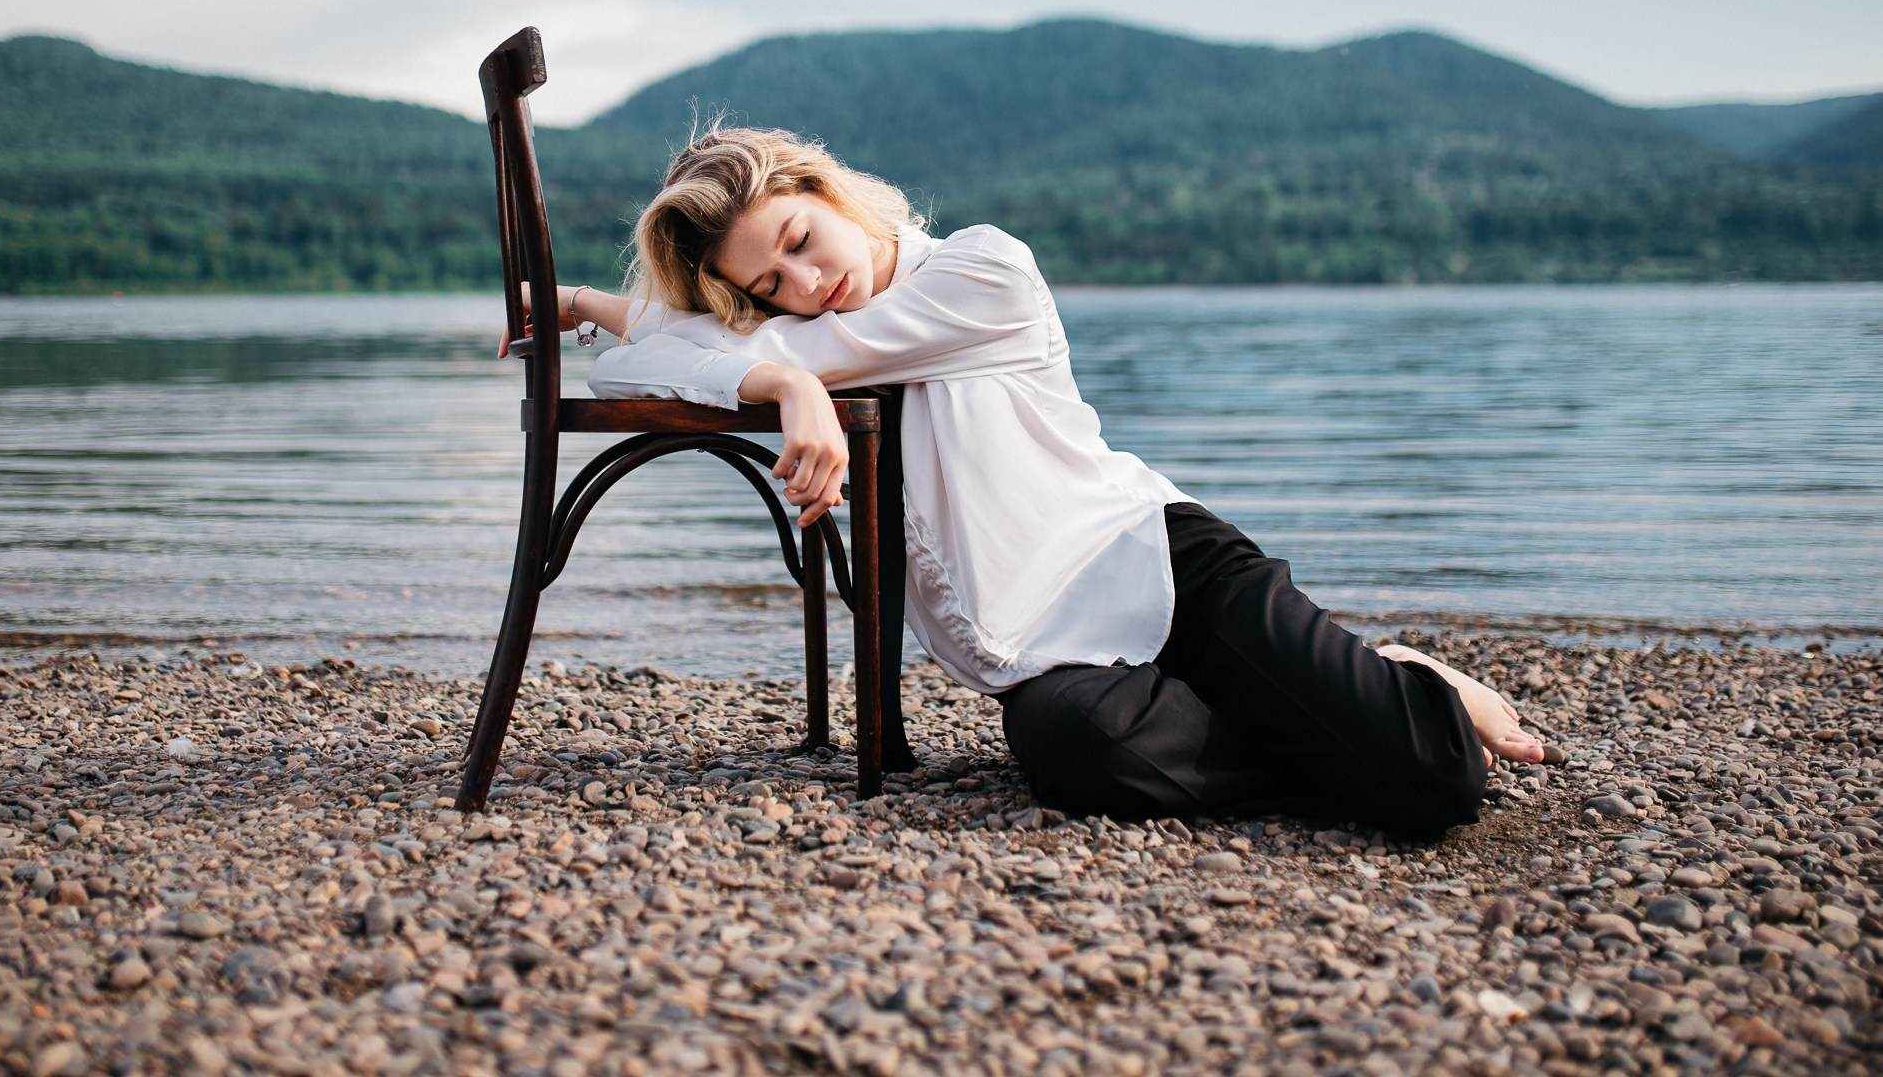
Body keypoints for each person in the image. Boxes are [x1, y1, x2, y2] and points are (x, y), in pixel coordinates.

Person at [511, 127, 1551, 832]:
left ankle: (1411, 679)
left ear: (825, 193)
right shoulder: (812, 341)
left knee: (1433, 776)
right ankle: (1320, 716)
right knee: (1084, 754)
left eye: (800, 241)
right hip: (1050, 639)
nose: (809, 283)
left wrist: (776, 362)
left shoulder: (981, 271)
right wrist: (761, 364)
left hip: (1158, 560)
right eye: (770, 285)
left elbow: (732, 351)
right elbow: (657, 364)